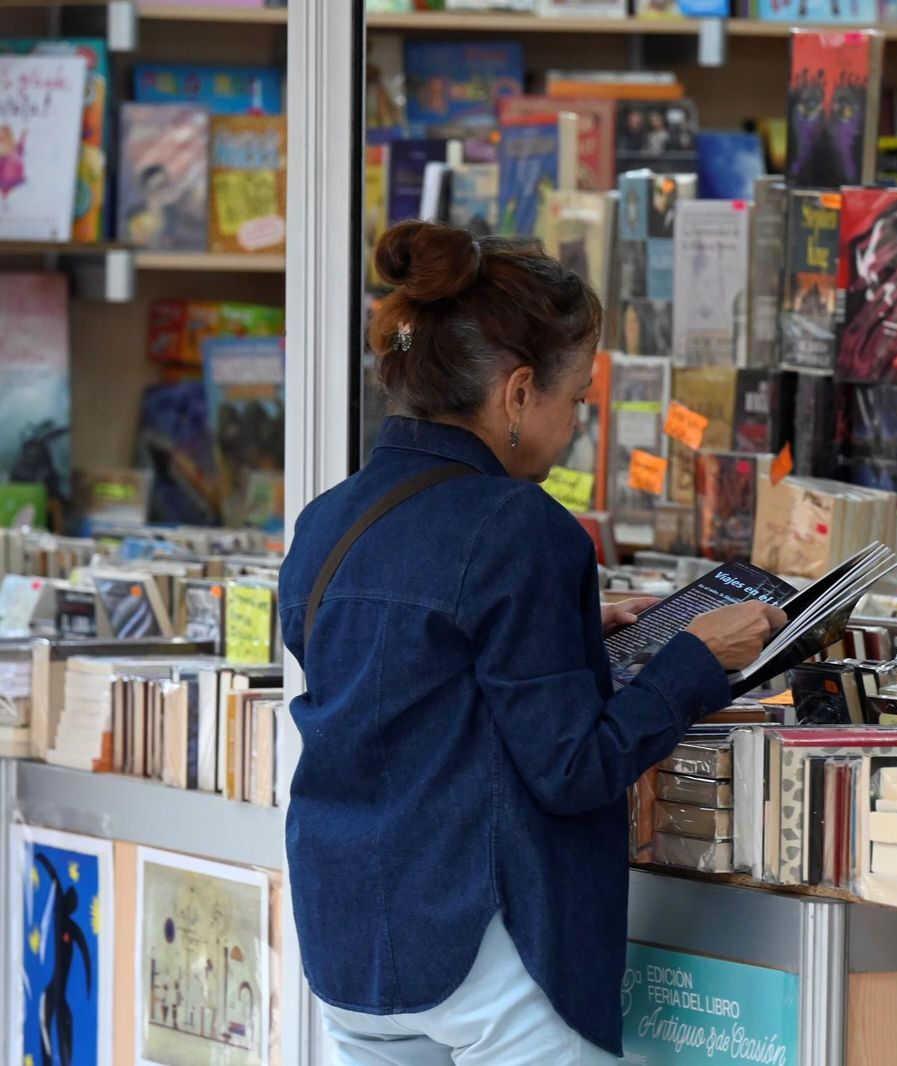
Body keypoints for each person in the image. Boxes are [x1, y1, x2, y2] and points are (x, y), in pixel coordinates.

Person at [278, 220, 786, 1065]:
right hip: (491, 951)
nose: (579, 422)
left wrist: (573, 629)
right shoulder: (525, 529)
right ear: (517, 394)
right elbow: (574, 768)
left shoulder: (326, 520)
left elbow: (408, 686)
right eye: (577, 397)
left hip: (351, 946)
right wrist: (695, 662)